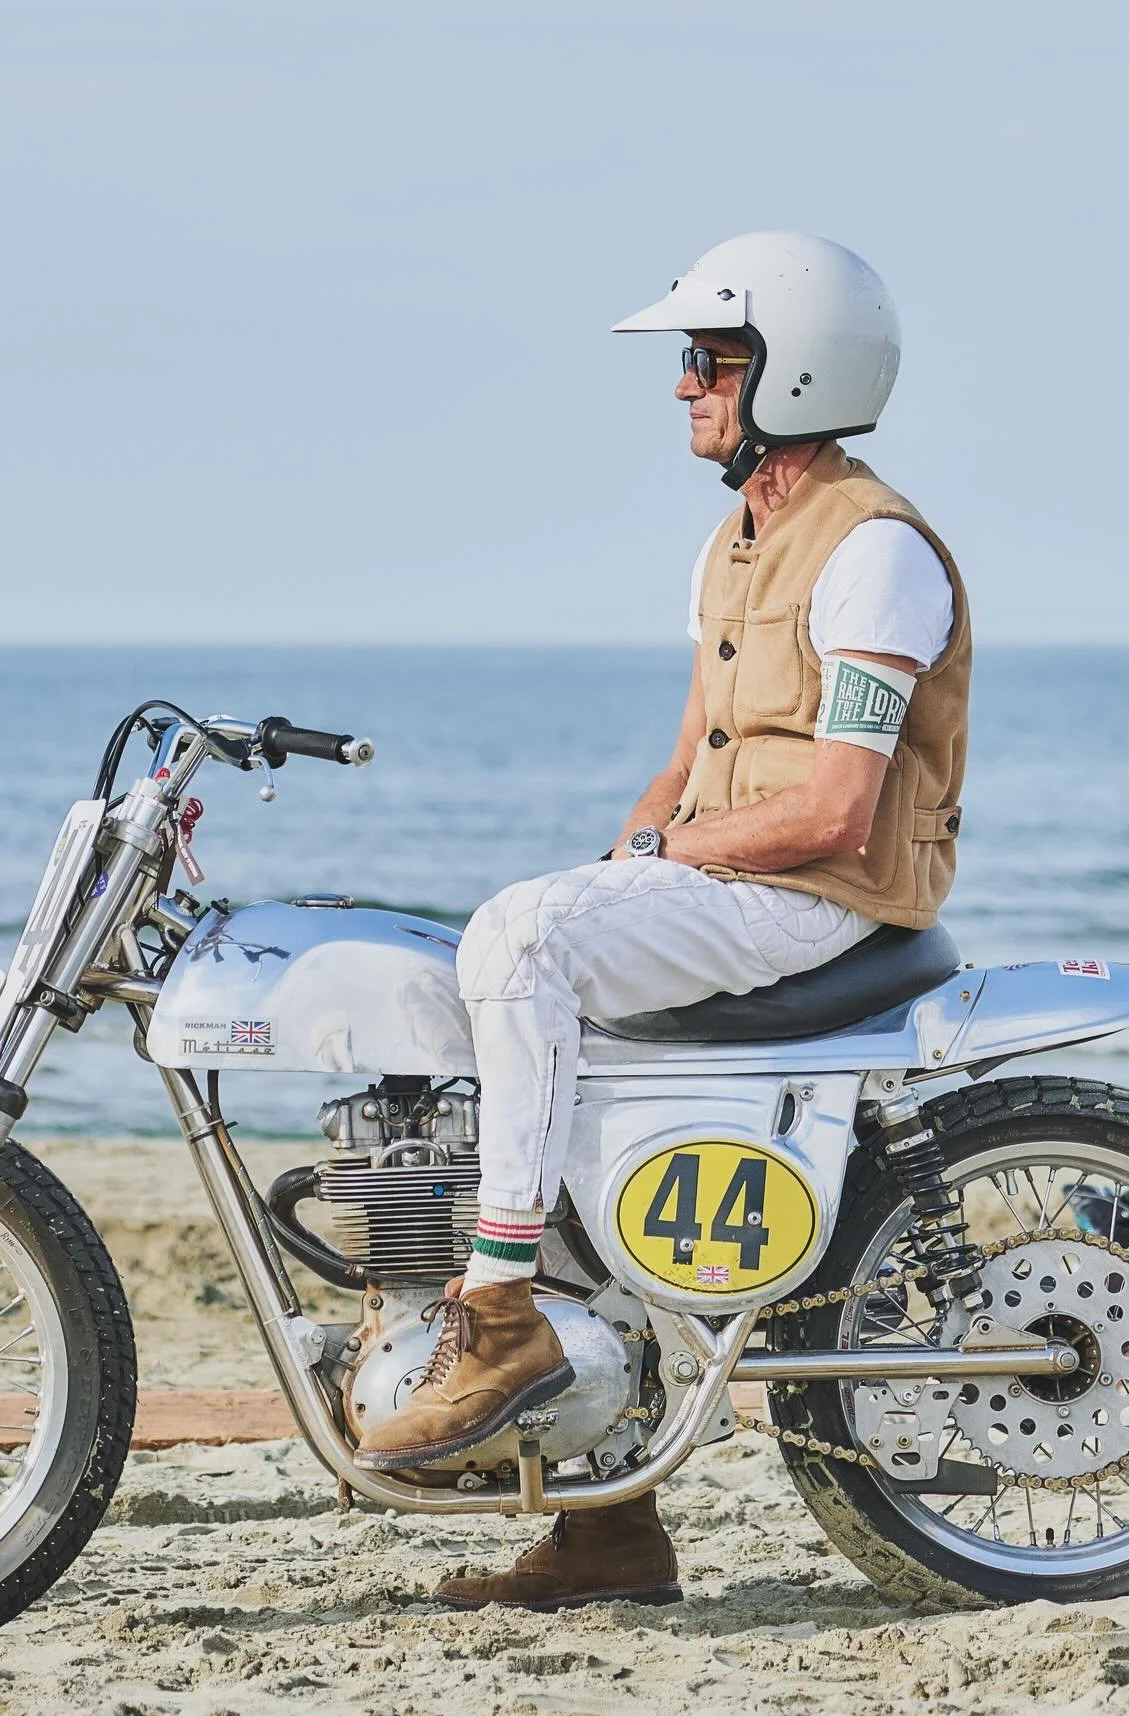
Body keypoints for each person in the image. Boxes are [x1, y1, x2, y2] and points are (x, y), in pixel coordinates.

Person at [354, 231, 973, 1609]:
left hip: (819, 900)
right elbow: (688, 757)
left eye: (713, 360)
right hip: (736, 879)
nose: (685, 384)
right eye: (691, 360)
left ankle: (499, 1311)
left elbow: (836, 813)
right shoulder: (737, 539)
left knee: (523, 943)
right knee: (517, 994)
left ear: (797, 372)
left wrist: (645, 865)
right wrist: (613, 864)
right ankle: (610, 1531)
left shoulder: (875, 556)